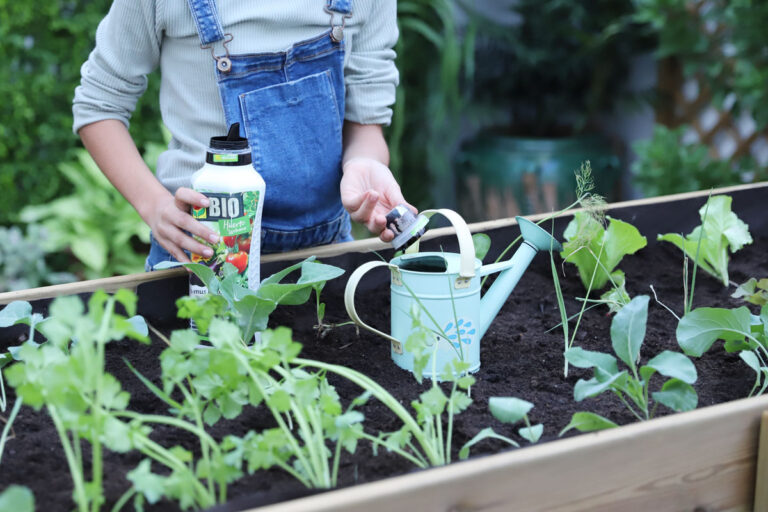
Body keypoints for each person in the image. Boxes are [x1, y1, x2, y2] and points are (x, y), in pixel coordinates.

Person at [72, 0, 414, 271]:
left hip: (325, 260)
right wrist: (154, 205)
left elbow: (366, 124)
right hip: (203, 257)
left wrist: (364, 164)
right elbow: (99, 105)